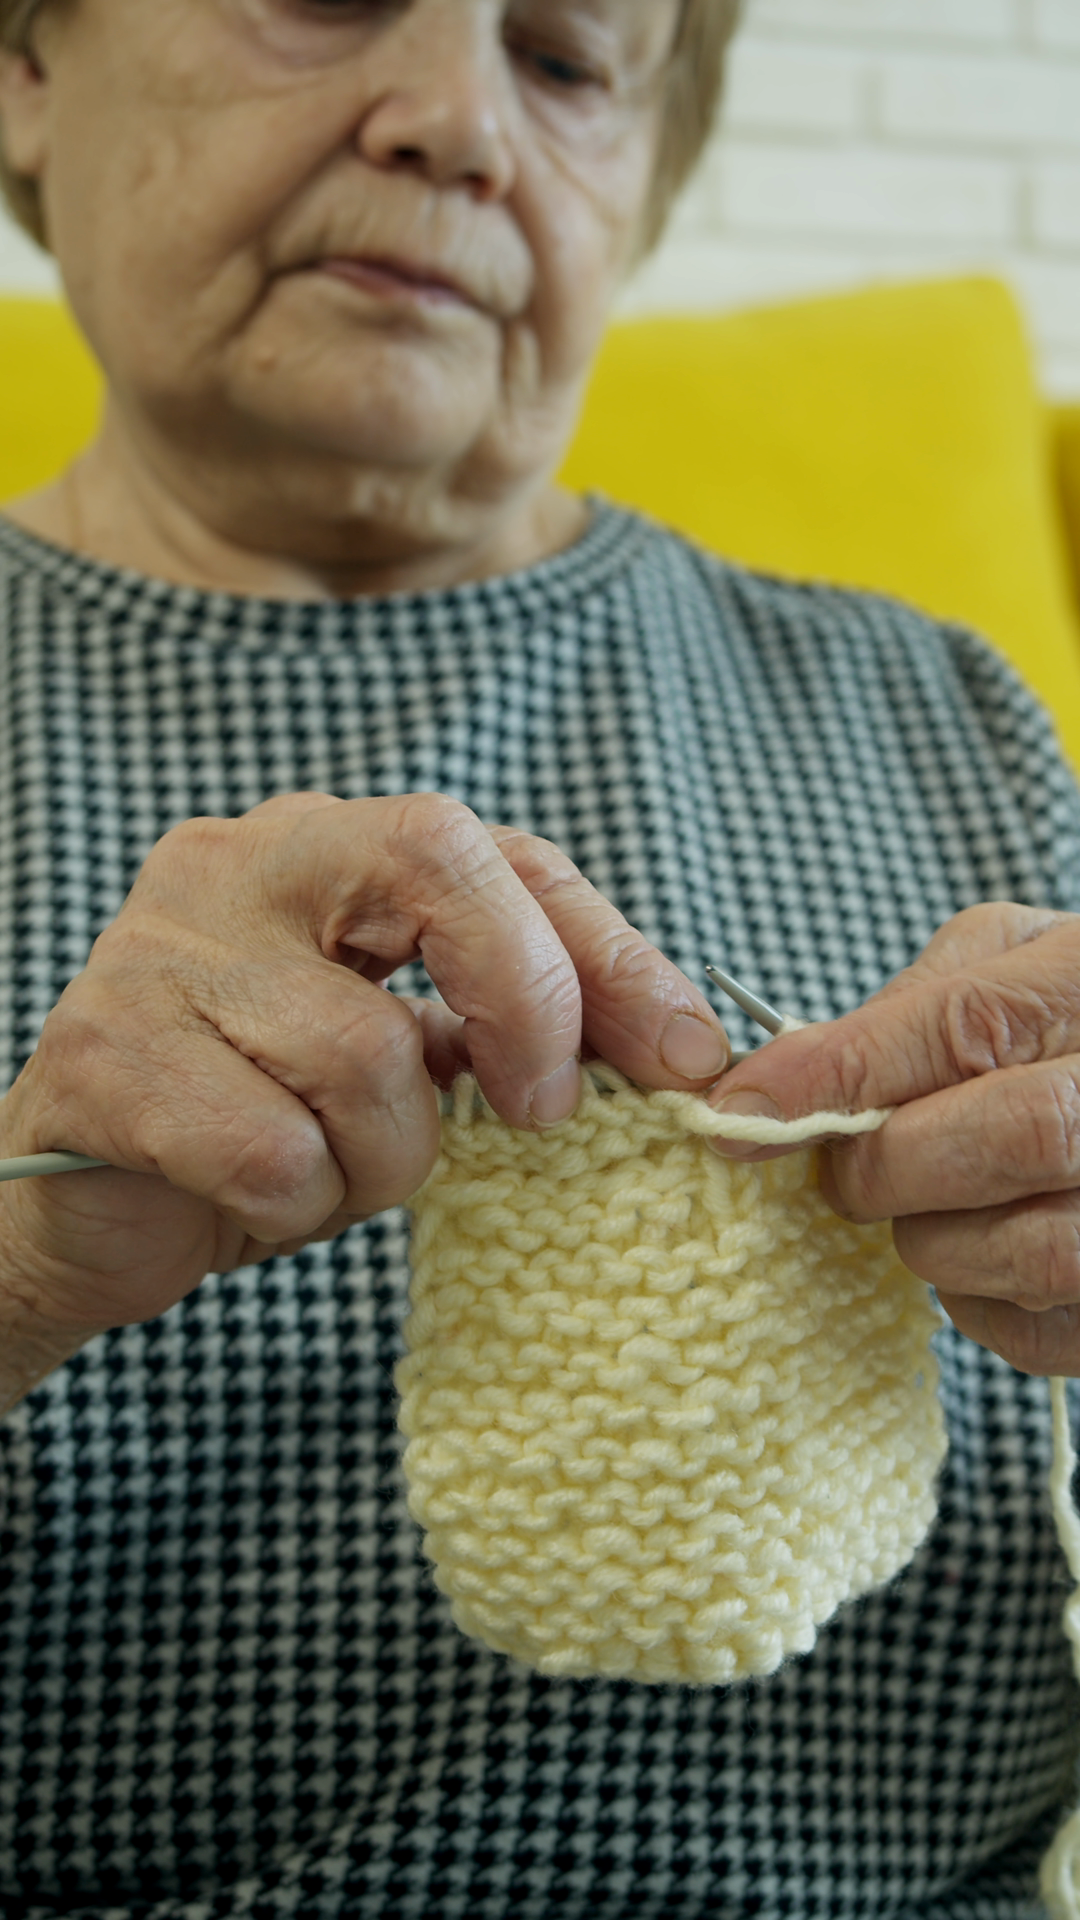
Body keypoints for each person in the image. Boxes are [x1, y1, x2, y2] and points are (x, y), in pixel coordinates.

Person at [0, 0, 1078, 1913]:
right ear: (25, 67)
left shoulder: (943, 714)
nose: (455, 120)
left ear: (644, 178)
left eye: (567, 57)